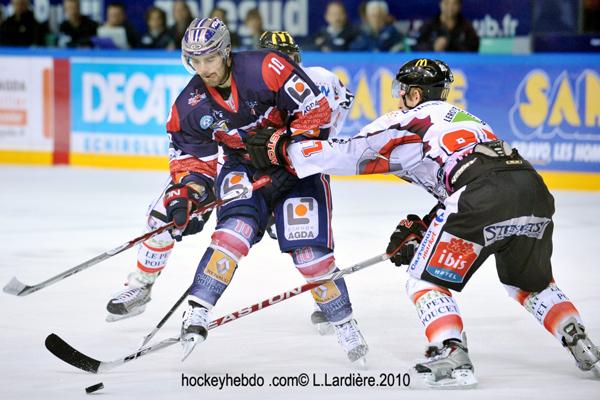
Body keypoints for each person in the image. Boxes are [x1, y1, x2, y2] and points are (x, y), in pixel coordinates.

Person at [245, 58, 600, 387]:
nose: (399, 97)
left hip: (479, 195)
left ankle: (450, 352)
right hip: (532, 189)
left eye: (403, 90)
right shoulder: (467, 118)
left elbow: (351, 152)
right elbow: (467, 178)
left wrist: (282, 148)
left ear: (415, 93)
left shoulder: (409, 119)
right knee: (529, 283)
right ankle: (579, 339)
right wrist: (429, 225)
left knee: (422, 279)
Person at [107, 17, 368, 364]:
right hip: (244, 169)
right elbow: (190, 159)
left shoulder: (287, 73)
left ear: (227, 52)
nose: (203, 68)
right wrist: (188, 192)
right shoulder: (190, 103)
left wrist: (287, 147)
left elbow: (319, 119)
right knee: (226, 233)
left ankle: (342, 320)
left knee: (310, 254)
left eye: (209, 59)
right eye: (194, 61)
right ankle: (190, 306)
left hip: (299, 167)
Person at [413, 0, 479, 52]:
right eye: (446, 3)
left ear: (459, 6)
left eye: (454, 3)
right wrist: (433, 47)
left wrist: (451, 45)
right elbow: (416, 46)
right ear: (440, 4)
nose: (450, 7)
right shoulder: (429, 25)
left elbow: (474, 49)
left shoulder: (467, 27)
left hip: (459, 65)